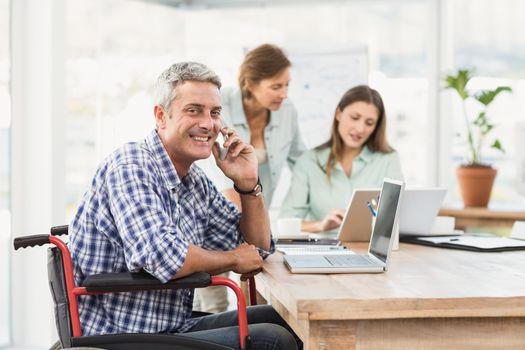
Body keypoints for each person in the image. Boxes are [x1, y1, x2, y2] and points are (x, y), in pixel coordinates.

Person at [68, 61, 300, 350]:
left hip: (171, 325)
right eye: (194, 110)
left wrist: (248, 184)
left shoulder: (194, 180)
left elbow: (257, 247)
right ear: (161, 116)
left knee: (288, 319)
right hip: (119, 335)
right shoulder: (131, 166)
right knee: (273, 340)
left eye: (214, 113)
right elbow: (165, 256)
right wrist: (232, 259)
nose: (208, 124)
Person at [194, 43, 306, 313]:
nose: (284, 94)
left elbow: (301, 160)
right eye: (276, 86)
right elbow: (217, 169)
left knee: (257, 287)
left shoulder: (287, 112)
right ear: (251, 83)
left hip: (254, 206)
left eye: (287, 85)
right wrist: (245, 230)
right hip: (220, 205)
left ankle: (246, 327)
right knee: (213, 296)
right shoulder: (221, 107)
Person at [280, 85, 403, 233]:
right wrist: (320, 225)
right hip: (326, 247)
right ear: (338, 113)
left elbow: (398, 215)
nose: (360, 129)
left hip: (369, 249)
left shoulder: (388, 159)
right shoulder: (308, 161)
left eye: (369, 123)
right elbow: (285, 223)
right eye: (355, 118)